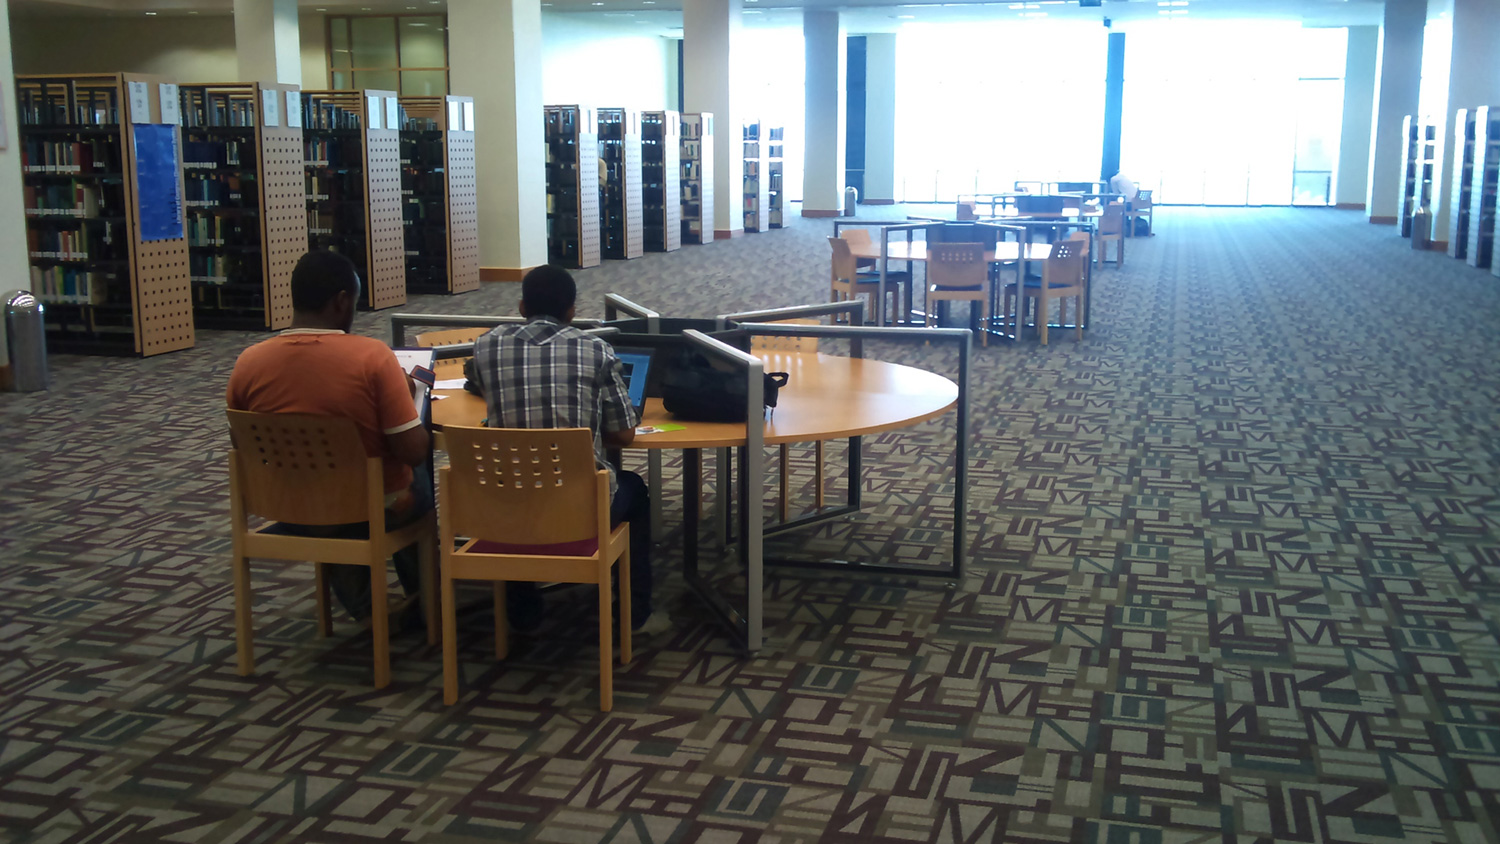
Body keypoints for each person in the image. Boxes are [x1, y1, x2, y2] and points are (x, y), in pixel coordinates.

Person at [227, 250, 431, 625]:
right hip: (362, 508)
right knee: (415, 472)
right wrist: (407, 403)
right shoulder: (372, 358)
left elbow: (243, 445)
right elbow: (414, 451)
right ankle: (426, 598)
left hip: (285, 504)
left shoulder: (248, 362)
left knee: (339, 481)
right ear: (341, 301)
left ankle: (368, 608)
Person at [471, 265, 668, 636]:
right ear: (571, 311)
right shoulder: (595, 350)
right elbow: (624, 434)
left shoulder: (486, 345)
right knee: (635, 490)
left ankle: (523, 613)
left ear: (521, 306)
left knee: (518, 482)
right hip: (581, 508)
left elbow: (486, 391)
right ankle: (634, 612)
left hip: (504, 503)